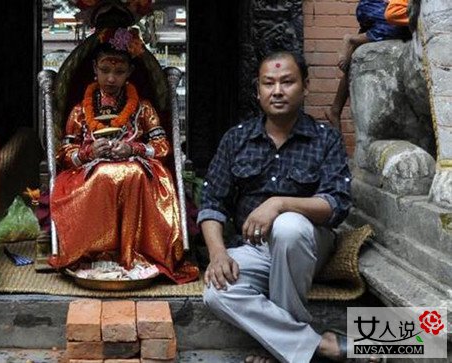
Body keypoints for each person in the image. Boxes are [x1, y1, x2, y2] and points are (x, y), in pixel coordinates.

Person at [200, 51, 360, 362]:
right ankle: (313, 344)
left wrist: (279, 203)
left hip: (309, 244)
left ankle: (279, 348)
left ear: (305, 87)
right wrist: (218, 254)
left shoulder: (324, 138)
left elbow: (337, 204)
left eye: (287, 82)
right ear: (257, 90)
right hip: (254, 249)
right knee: (215, 292)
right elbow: (211, 203)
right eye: (268, 83)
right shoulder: (237, 139)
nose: (277, 91)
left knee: (287, 226)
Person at [47, 27, 198, 283]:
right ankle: (97, 252)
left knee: (133, 172)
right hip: (89, 172)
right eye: (105, 71)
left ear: (129, 72)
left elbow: (162, 147)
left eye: (118, 72)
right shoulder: (80, 111)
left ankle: (135, 254)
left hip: (139, 170)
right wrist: (88, 152)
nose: (110, 78)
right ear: (94, 68)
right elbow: (64, 152)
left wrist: (134, 149)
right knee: (105, 174)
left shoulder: (143, 108)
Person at [325, 0, 409, 128]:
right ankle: (352, 39)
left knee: (353, 61)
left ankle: (335, 110)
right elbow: (393, 13)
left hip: (383, 9)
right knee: (398, 28)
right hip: (375, 5)